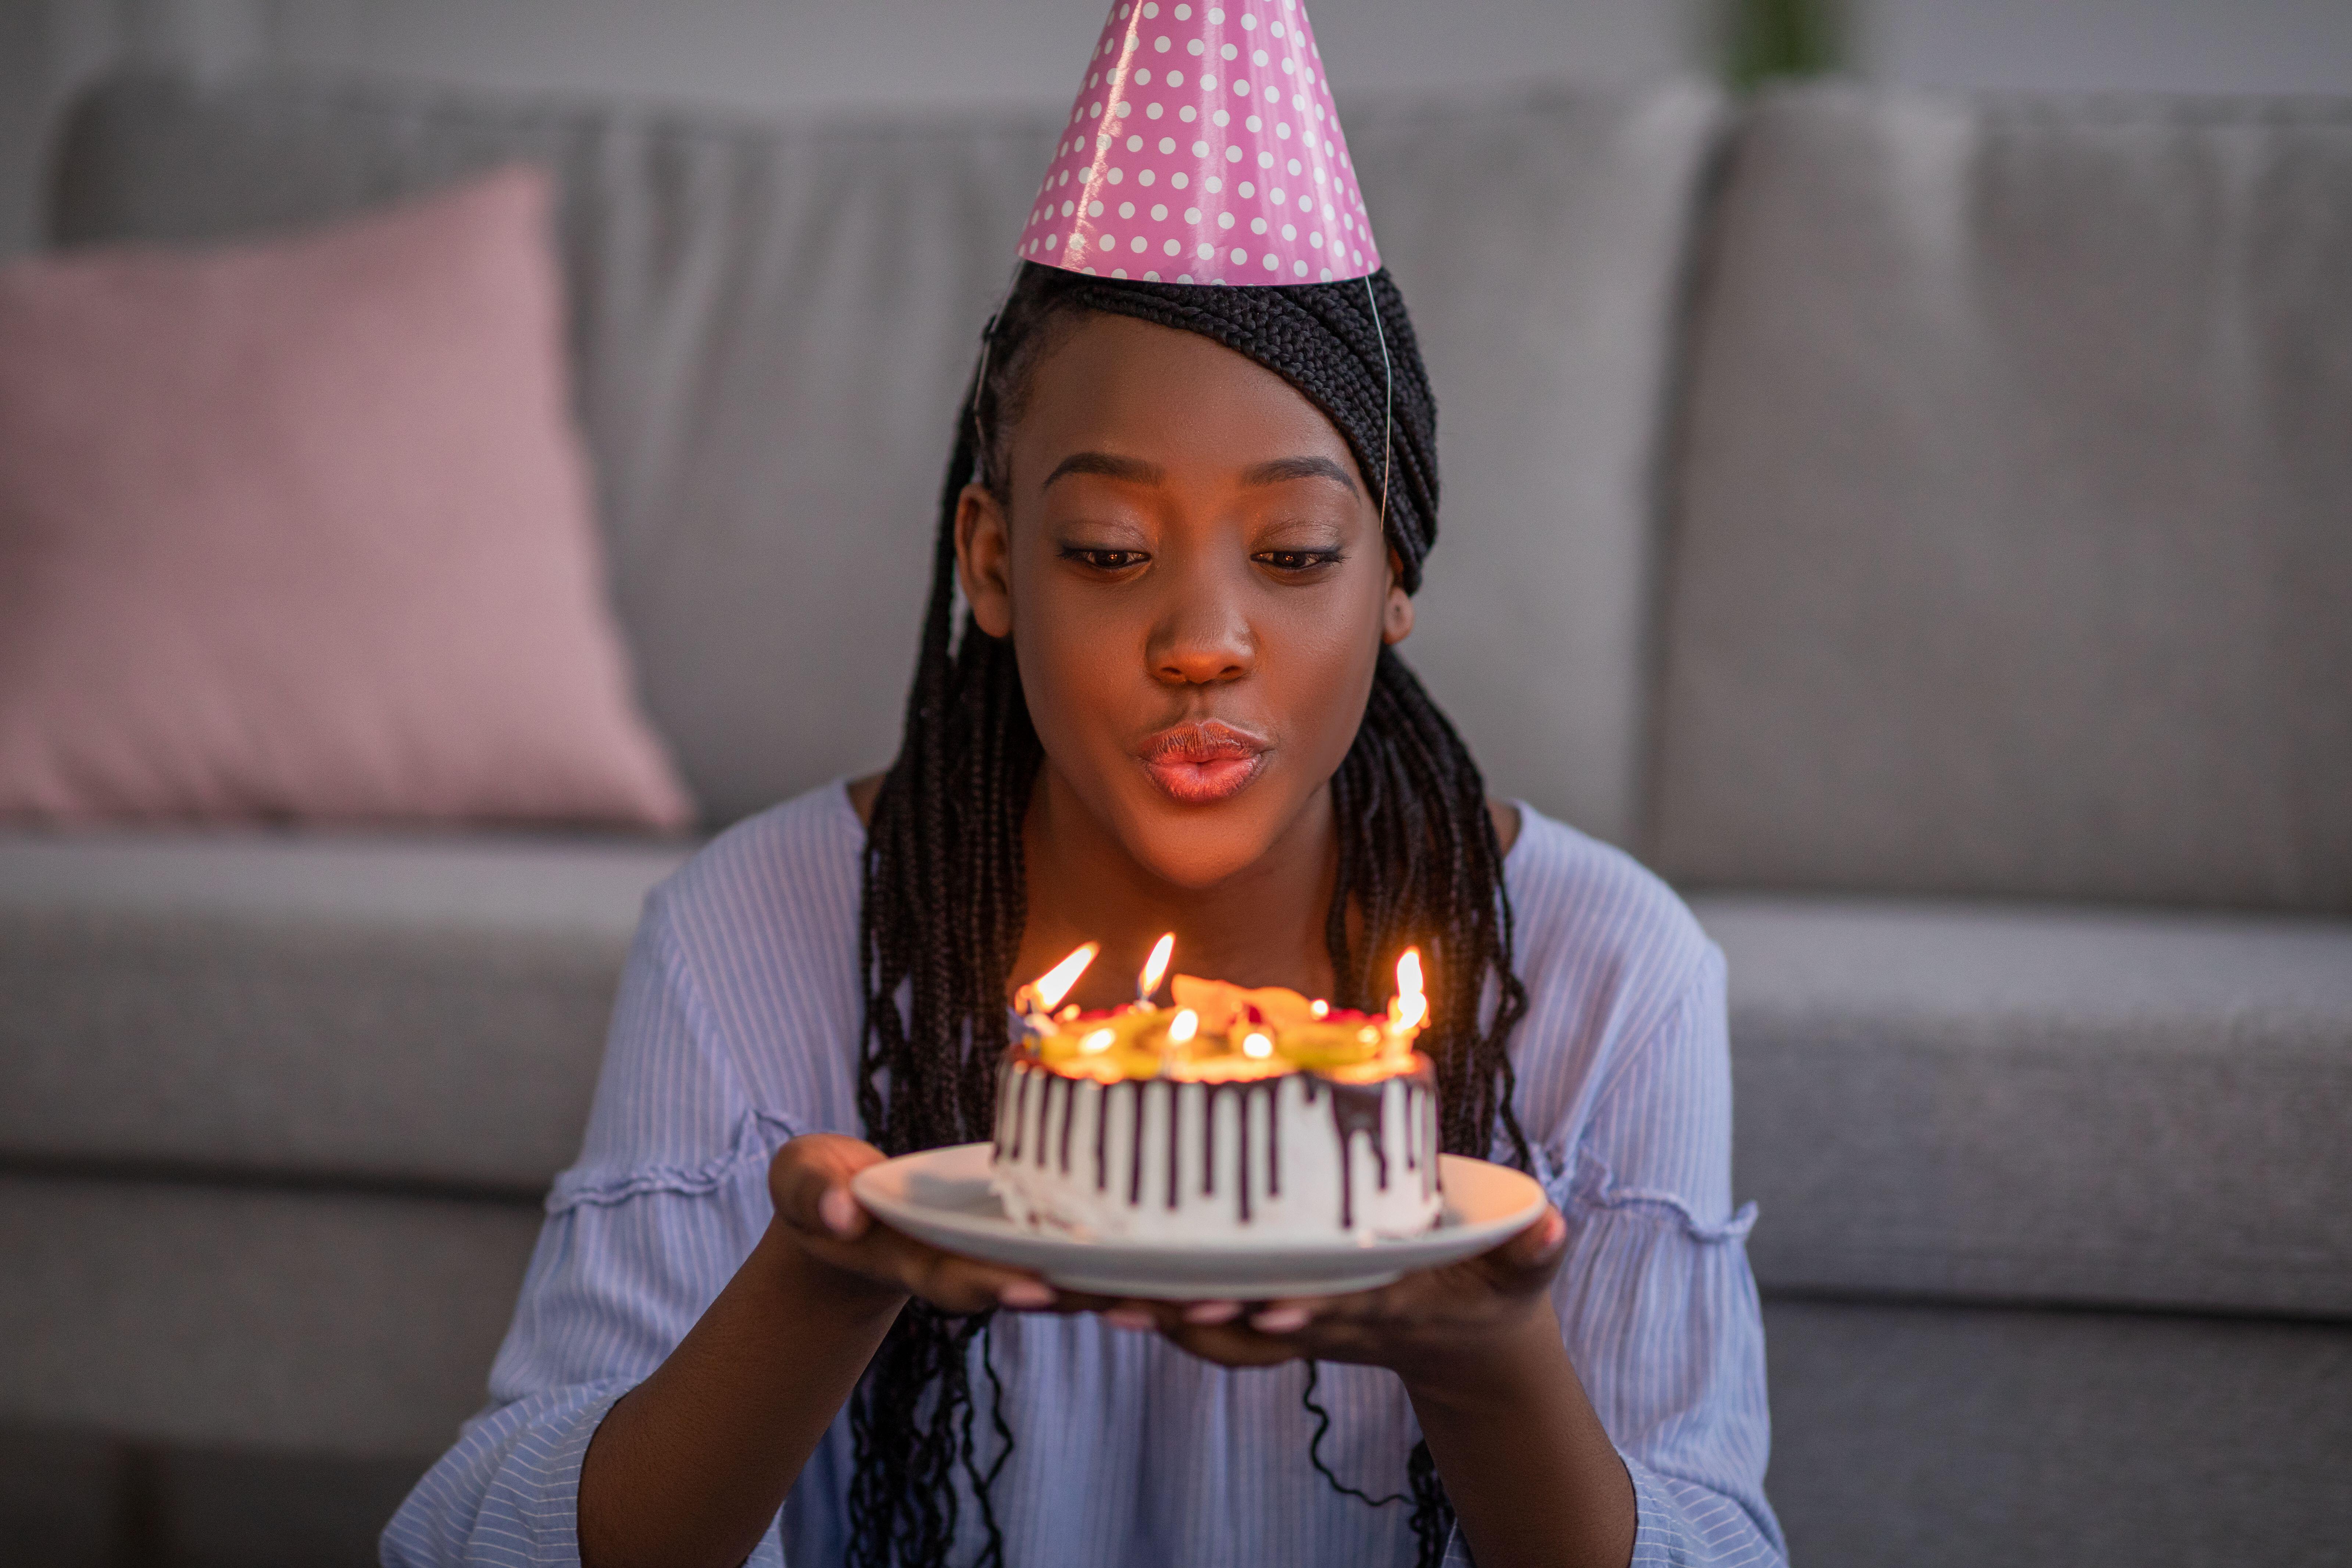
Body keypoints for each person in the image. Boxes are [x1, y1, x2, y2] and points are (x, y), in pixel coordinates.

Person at [384, 8, 1781, 1567]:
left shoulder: (1610, 972)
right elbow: (482, 1543)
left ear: (1394, 576)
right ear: (990, 561)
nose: (1201, 640)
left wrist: (1484, 1355)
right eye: (1109, 552)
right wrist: (822, 1275)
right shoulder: (747, 931)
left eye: (1298, 555)